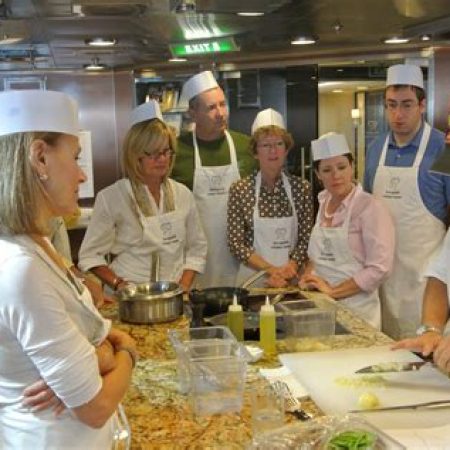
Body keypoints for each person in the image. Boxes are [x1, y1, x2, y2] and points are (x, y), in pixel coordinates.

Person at [0, 89, 136, 448]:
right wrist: (129, 351)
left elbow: (99, 338)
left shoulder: (37, 243)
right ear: (40, 158)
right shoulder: (20, 267)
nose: (81, 176)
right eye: (75, 159)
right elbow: (95, 406)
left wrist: (101, 355)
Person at [78, 100, 207, 292]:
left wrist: (183, 287)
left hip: (174, 295)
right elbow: (90, 255)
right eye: (154, 153)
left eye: (166, 151)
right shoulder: (112, 197)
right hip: (131, 297)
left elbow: (197, 249)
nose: (162, 159)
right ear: (135, 155)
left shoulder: (183, 195)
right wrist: (119, 284)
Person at [364, 63, 450, 339]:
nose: (398, 115)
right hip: (382, 282)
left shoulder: (443, 149)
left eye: (407, 105)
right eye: (391, 105)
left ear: (422, 105)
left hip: (426, 286)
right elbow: (365, 210)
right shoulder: (376, 148)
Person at [300, 133, 395, 329]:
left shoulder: (369, 207)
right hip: (322, 309)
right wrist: (308, 277)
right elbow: (316, 257)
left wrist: (333, 292)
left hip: (358, 312)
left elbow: (380, 268)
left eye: (342, 167)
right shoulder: (322, 202)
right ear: (318, 175)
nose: (336, 175)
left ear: (352, 167)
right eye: (327, 169)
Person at [171, 71, 257, 288]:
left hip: (242, 257)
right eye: (211, 108)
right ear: (192, 112)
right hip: (192, 260)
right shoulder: (175, 151)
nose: (220, 113)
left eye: (222, 104)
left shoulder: (246, 146)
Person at [227, 108, 313, 288]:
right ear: (255, 152)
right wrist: (271, 270)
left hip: (290, 280)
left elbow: (306, 237)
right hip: (253, 280)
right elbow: (235, 243)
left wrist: (291, 266)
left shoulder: (302, 188)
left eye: (279, 144)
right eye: (266, 145)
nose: (273, 151)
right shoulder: (240, 190)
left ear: (286, 149)